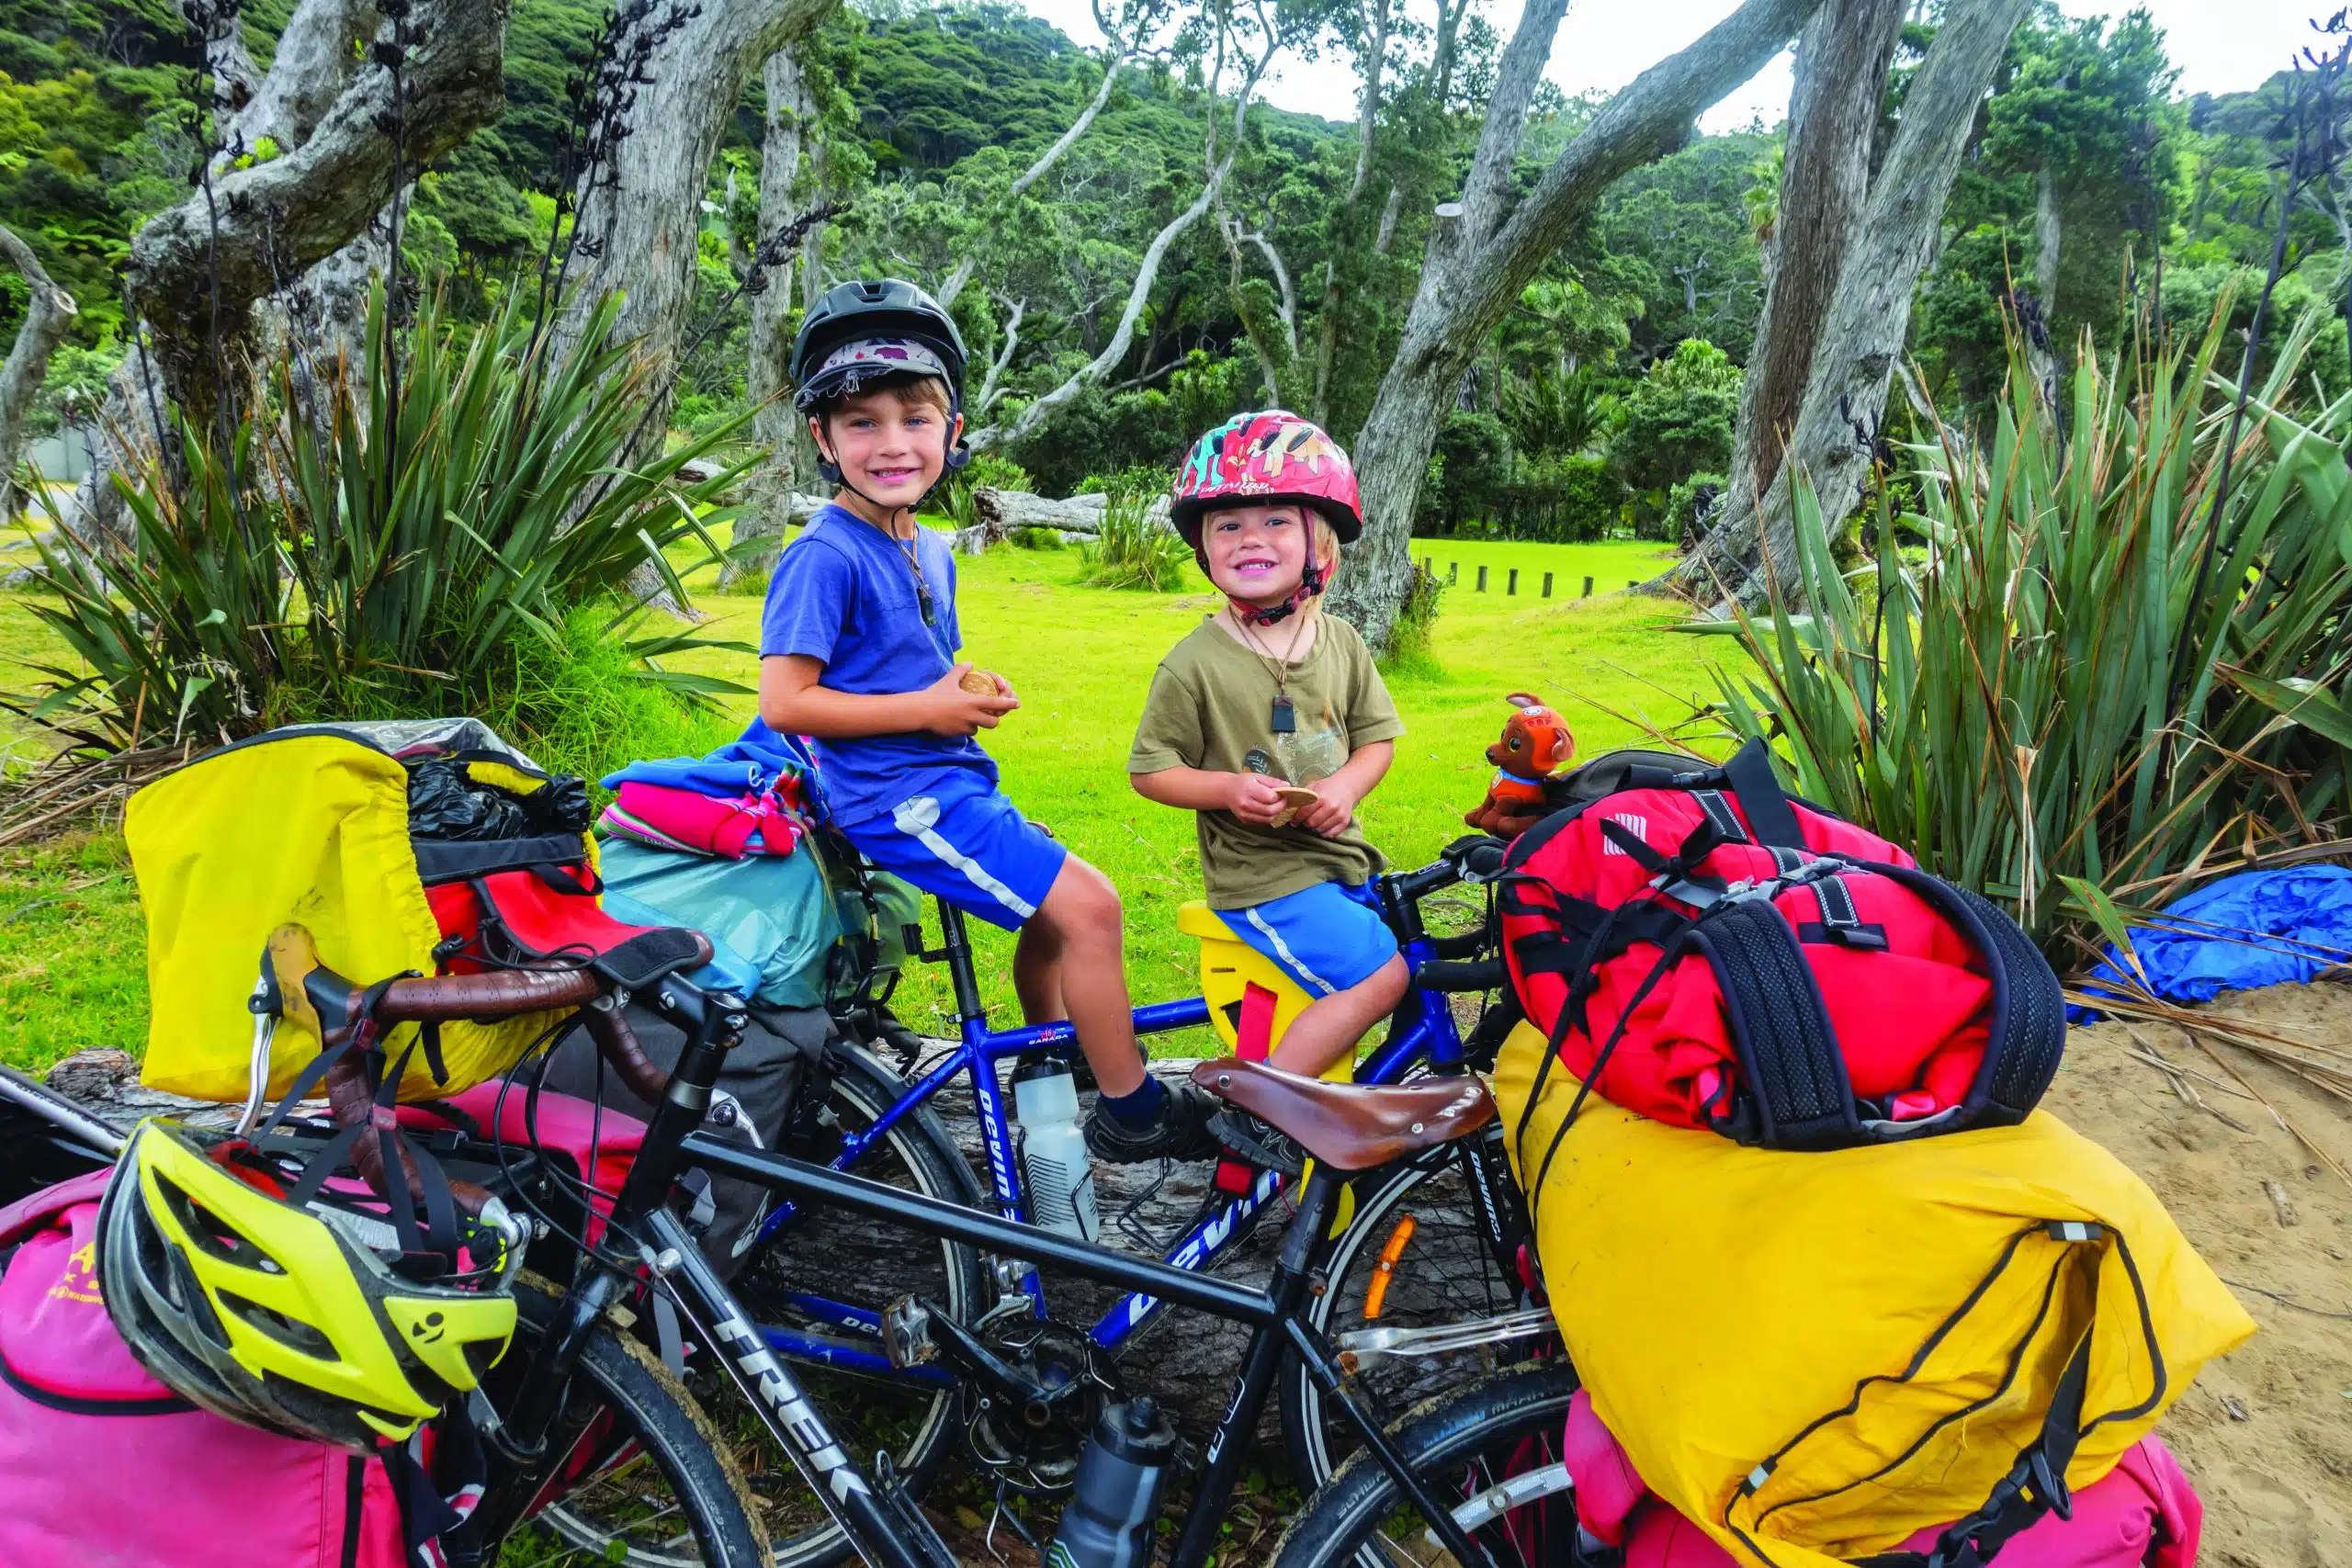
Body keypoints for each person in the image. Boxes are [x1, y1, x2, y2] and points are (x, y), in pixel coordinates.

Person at [756, 280, 1219, 1164]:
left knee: (1057, 911)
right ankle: (1133, 1110)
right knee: (1094, 909)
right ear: (822, 438)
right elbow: (786, 703)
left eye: (914, 418)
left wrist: (959, 685)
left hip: (945, 778)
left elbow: (912, 660)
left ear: (953, 431)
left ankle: (1052, 1057)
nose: (892, 443)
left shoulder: (924, 543)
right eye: (861, 423)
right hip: (894, 799)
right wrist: (932, 708)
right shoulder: (822, 554)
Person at [1127, 411, 1411, 1173]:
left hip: (1339, 860)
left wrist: (1345, 788)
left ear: (1319, 542)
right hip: (1264, 878)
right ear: (1203, 547)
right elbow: (1149, 768)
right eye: (1228, 523)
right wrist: (1223, 789)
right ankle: (1264, 1107)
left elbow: (1377, 738)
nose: (1250, 537)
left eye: (1275, 519)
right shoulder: (1194, 664)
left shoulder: (1343, 643)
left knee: (1419, 953)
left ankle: (1336, 1104)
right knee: (1386, 973)